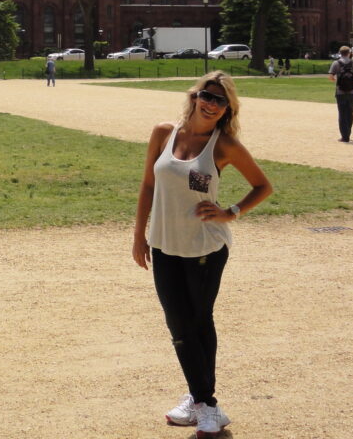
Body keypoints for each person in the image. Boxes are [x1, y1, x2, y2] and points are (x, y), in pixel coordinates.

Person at [132, 71, 273, 437]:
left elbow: (263, 185)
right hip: (164, 244)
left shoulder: (224, 145)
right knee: (178, 326)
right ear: (194, 96)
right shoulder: (164, 132)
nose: (211, 104)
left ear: (228, 109)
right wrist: (138, 236)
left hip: (205, 247)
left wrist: (231, 212)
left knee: (197, 321)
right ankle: (200, 399)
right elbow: (149, 183)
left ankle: (205, 404)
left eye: (220, 100)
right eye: (207, 95)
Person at [328, 45, 353, 142]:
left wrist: (337, 81)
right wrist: (352, 81)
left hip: (340, 91)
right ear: (349, 53)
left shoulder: (336, 63)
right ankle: (348, 132)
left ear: (340, 53)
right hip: (352, 91)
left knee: (342, 113)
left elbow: (330, 76)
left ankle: (345, 136)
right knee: (350, 113)